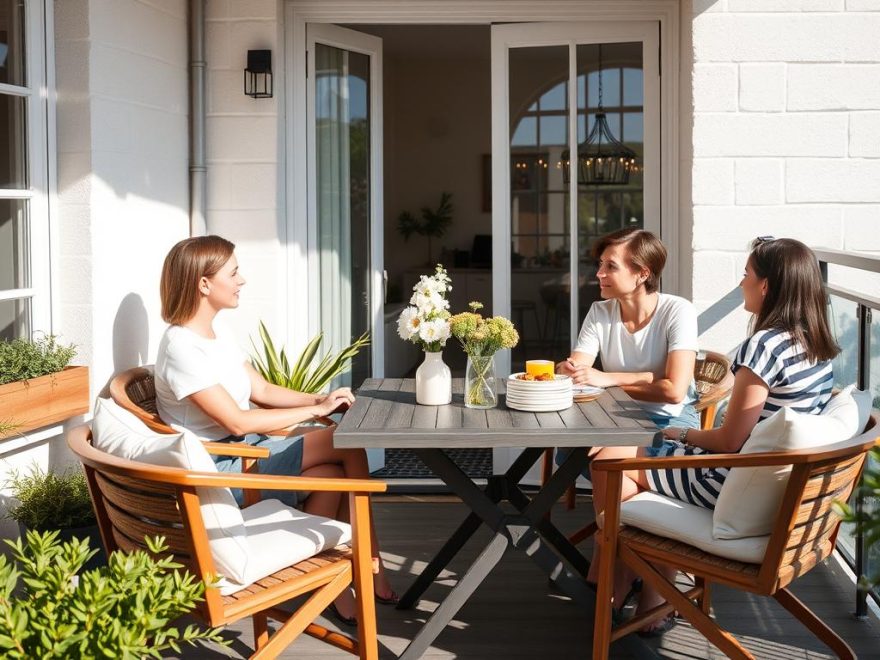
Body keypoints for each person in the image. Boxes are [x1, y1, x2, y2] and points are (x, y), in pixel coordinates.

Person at [587, 236, 839, 634]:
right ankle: (644, 586)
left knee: (607, 461)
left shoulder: (764, 348)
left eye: (746, 275)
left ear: (766, 287)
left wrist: (680, 434)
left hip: (726, 482)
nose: (741, 283)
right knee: (624, 461)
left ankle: (620, 581)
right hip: (770, 488)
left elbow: (727, 442)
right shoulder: (814, 346)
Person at [153, 235, 396, 625]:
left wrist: (319, 398)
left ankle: (325, 586)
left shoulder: (215, 335)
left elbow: (262, 390)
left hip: (245, 451)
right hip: (226, 471)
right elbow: (236, 421)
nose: (242, 280)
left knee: (331, 473)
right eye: (233, 273)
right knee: (346, 444)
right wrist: (318, 411)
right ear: (203, 283)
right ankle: (372, 558)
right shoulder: (182, 349)